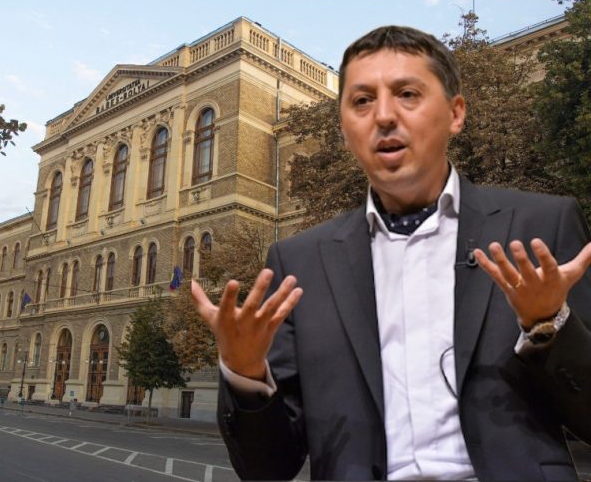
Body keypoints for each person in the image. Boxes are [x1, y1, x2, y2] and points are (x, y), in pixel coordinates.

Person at [191, 25, 591, 481]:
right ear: (344, 130)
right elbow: (267, 469)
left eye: (407, 94)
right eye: (362, 101)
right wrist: (245, 372)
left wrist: (548, 325)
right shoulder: (299, 263)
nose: (383, 116)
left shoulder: (541, 227)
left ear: (456, 113)